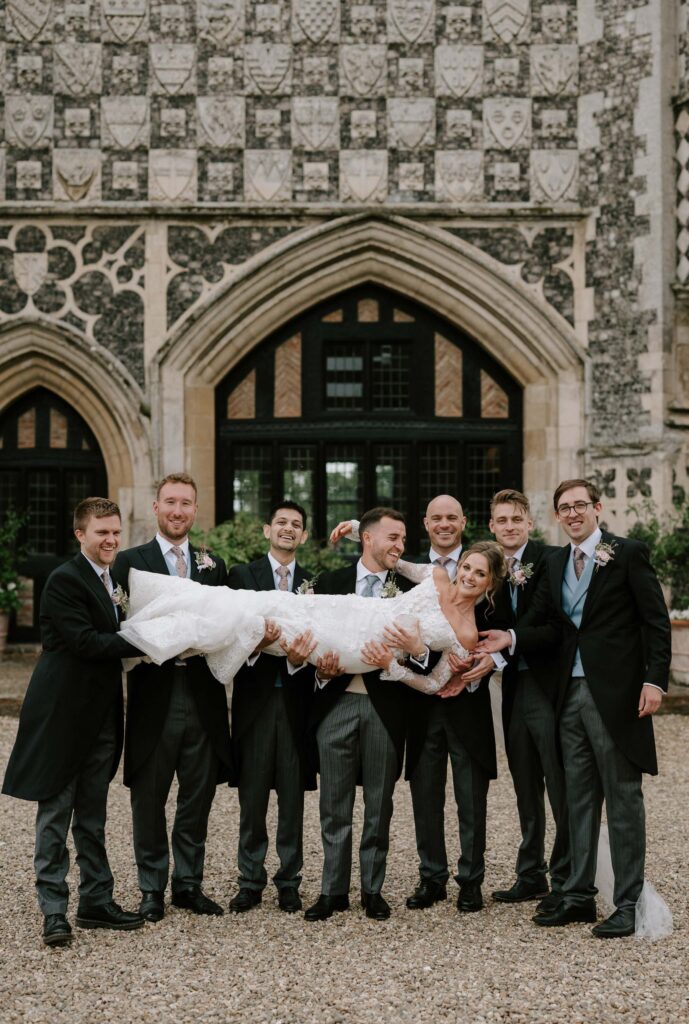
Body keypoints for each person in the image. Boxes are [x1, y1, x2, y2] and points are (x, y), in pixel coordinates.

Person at [477, 479, 671, 938]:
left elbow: (655, 622)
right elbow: (544, 625)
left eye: (580, 505)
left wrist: (654, 680)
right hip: (566, 695)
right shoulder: (556, 561)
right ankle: (579, 896)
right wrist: (511, 638)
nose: (572, 513)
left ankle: (626, 903)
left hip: (617, 694)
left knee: (623, 797)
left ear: (597, 508)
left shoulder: (627, 553)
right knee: (577, 798)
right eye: (564, 508)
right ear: (557, 516)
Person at [331, 498, 506, 916]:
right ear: (427, 524)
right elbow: (391, 555)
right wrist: (358, 527)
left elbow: (482, 651)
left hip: (465, 709)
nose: (469, 575)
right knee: (425, 798)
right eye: (467, 567)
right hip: (421, 712)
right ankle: (432, 878)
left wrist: (486, 662)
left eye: (478, 573)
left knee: (470, 800)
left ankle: (471, 881)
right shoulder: (432, 574)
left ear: (488, 583)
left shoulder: (476, 618)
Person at [2, 497, 145, 947]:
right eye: (102, 532)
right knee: (54, 813)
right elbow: (85, 642)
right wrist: (146, 640)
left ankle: (96, 901)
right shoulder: (63, 580)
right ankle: (53, 911)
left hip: (103, 715)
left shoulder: (114, 580)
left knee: (93, 814)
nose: (111, 540)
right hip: (62, 714)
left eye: (116, 532)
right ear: (80, 534)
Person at [111, 473, 234, 924]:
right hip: (153, 691)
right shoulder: (130, 562)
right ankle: (150, 888)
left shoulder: (212, 565)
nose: (178, 511)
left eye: (186, 503)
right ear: (156, 507)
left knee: (197, 794)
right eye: (170, 502)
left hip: (201, 692)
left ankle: (188, 885)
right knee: (149, 793)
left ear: (195, 511)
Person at [304, 508, 417, 923]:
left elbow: (422, 646)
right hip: (334, 704)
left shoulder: (408, 587)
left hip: (386, 707)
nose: (399, 546)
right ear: (367, 539)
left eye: (403, 539)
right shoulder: (328, 583)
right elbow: (309, 640)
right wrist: (319, 668)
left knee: (378, 804)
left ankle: (373, 889)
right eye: (393, 537)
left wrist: (401, 656)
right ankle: (332, 890)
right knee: (334, 804)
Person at [227, 502, 317, 915]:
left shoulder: (314, 583)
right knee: (253, 797)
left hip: (298, 701)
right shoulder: (242, 576)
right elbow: (229, 632)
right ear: (267, 530)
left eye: (296, 525)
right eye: (281, 522)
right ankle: (249, 881)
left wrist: (300, 659)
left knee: (293, 798)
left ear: (302, 537)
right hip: (256, 701)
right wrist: (254, 646)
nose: (288, 529)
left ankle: (289, 881)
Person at [486, 489, 569, 915]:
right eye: (502, 520)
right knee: (524, 785)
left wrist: (512, 640)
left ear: (530, 524)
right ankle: (530, 873)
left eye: (516, 519)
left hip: (544, 686)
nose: (510, 527)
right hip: (510, 689)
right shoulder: (492, 568)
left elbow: (556, 625)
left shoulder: (551, 560)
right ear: (492, 527)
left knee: (559, 784)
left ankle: (567, 877)